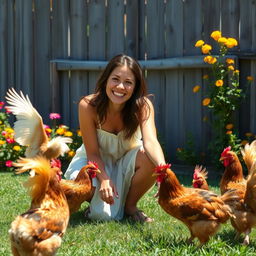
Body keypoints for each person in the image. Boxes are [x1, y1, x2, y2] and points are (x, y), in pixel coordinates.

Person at [64, 54, 168, 222]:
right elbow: (92, 153)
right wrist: (104, 179)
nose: (120, 87)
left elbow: (151, 142)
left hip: (125, 161)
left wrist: (164, 174)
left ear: (135, 87)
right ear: (106, 80)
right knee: (101, 215)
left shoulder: (143, 106)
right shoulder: (88, 106)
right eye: (115, 79)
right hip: (93, 163)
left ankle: (130, 206)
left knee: (148, 156)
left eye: (128, 82)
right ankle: (94, 202)